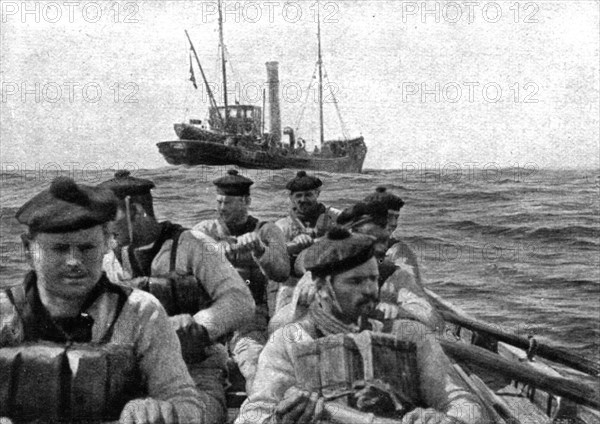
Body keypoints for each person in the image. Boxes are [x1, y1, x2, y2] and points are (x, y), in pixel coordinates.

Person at [0, 177, 204, 423]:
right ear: (27, 250)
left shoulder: (141, 312)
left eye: (87, 248)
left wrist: (158, 410)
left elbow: (186, 402)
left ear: (107, 243)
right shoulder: (4, 313)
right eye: (59, 249)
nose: (74, 262)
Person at [235, 229, 485, 424]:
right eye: (356, 281)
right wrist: (280, 418)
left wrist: (447, 419)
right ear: (322, 288)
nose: (370, 290)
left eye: (374, 279)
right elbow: (252, 415)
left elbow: (464, 403)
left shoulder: (411, 334)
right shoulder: (290, 340)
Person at [99, 170, 255, 423]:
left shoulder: (193, 244)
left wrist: (198, 325)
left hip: (196, 371)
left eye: (110, 217)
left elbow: (240, 300)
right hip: (137, 375)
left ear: (136, 211)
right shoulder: (110, 262)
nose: (104, 227)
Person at [270, 199, 445, 334]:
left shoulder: (393, 275)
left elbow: (434, 323)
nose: (371, 248)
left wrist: (398, 311)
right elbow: (275, 329)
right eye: (363, 239)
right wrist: (299, 305)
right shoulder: (320, 274)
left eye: (378, 240)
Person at [193, 169, 289, 389]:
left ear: (246, 201)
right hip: (210, 318)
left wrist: (260, 251)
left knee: (254, 363)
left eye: (227, 202)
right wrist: (216, 250)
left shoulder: (267, 231)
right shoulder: (205, 230)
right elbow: (190, 259)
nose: (221, 208)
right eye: (218, 202)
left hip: (249, 321)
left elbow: (282, 272)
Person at [274, 171, 340, 311]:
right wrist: (294, 246)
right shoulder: (282, 225)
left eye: (308, 194)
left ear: (317, 193)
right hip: (293, 284)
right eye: (298, 195)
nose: (303, 199)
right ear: (291, 197)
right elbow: (272, 256)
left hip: (330, 281)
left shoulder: (336, 218)